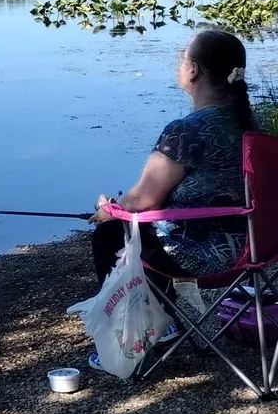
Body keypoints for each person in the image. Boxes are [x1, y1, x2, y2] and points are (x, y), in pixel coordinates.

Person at [90, 27, 252, 288]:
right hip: (255, 247)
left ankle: (146, 326)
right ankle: (167, 324)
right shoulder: (250, 122)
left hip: (203, 256)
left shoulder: (186, 131)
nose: (180, 64)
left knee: (109, 235)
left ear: (193, 70)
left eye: (183, 59)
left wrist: (109, 209)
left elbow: (141, 202)